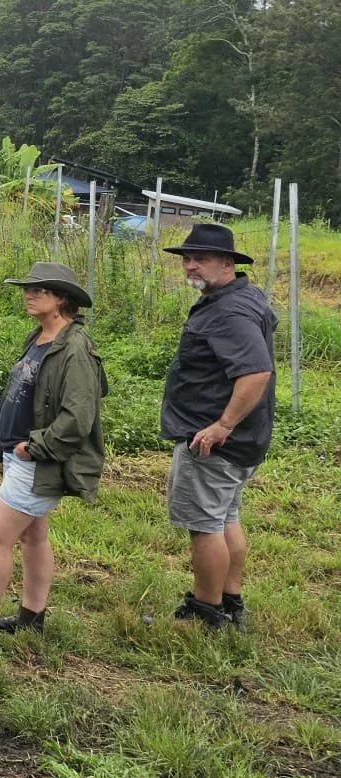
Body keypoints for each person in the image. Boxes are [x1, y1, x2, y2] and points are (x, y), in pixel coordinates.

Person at [0, 262, 106, 646]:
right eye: (28, 289)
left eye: (40, 290)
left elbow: (79, 416)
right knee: (33, 535)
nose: (29, 294)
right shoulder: (39, 337)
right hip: (18, 454)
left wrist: (34, 446)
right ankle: (31, 617)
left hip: (37, 459)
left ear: (62, 300)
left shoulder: (75, 349)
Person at [159, 222, 276, 630]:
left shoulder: (229, 311)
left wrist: (221, 426)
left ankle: (205, 613)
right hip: (246, 440)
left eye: (201, 259)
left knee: (204, 526)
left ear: (227, 263)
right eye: (187, 259)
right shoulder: (244, 296)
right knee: (226, 518)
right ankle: (230, 601)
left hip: (215, 443)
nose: (191, 266)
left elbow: (256, 372)